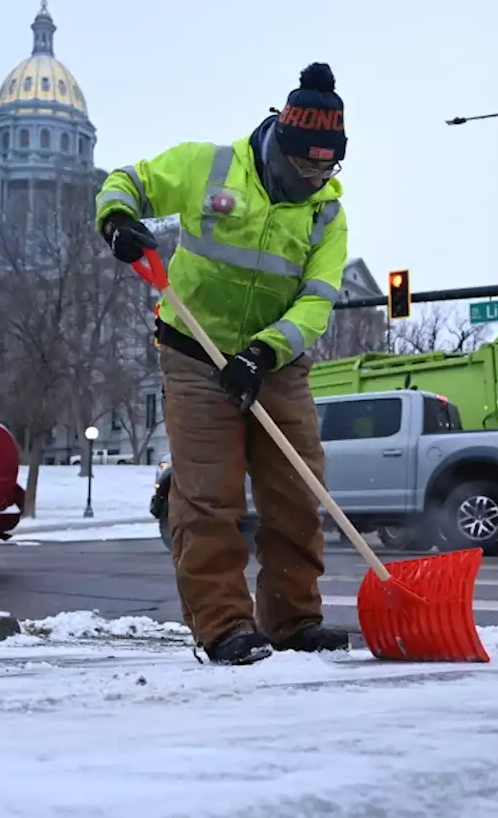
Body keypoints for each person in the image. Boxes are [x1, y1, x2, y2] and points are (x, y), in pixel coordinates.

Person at [94, 62, 351, 665]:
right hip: (194, 352)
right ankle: (224, 625)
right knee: (208, 496)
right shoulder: (209, 166)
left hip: (275, 365)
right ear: (281, 146)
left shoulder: (326, 215)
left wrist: (263, 352)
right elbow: (127, 181)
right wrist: (117, 221)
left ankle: (293, 619)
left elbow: (317, 301)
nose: (317, 176)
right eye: (307, 164)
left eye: (328, 165)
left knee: (297, 491)